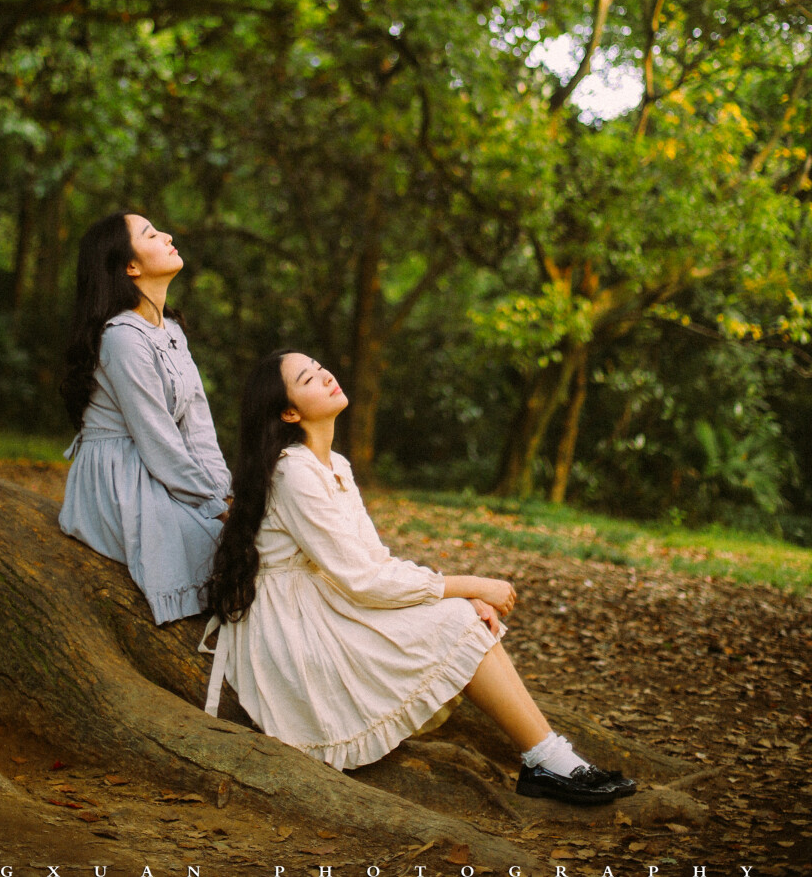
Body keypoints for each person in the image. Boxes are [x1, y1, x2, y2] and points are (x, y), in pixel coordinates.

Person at [202, 350, 636, 806]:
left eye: (321, 366)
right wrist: (473, 585)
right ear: (289, 412)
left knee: (460, 616)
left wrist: (455, 593)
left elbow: (376, 561)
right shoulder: (293, 471)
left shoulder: (336, 467)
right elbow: (363, 580)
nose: (326, 374)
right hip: (296, 625)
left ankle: (548, 759)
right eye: (309, 378)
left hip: (331, 599)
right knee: (459, 618)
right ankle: (548, 760)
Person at [58, 211, 231, 623]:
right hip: (122, 476)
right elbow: (158, 439)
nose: (169, 235)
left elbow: (197, 422)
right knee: (222, 546)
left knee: (243, 535)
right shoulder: (122, 338)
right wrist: (213, 507)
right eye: (152, 234)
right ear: (130, 266)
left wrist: (222, 490)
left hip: (158, 467)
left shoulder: (170, 329)